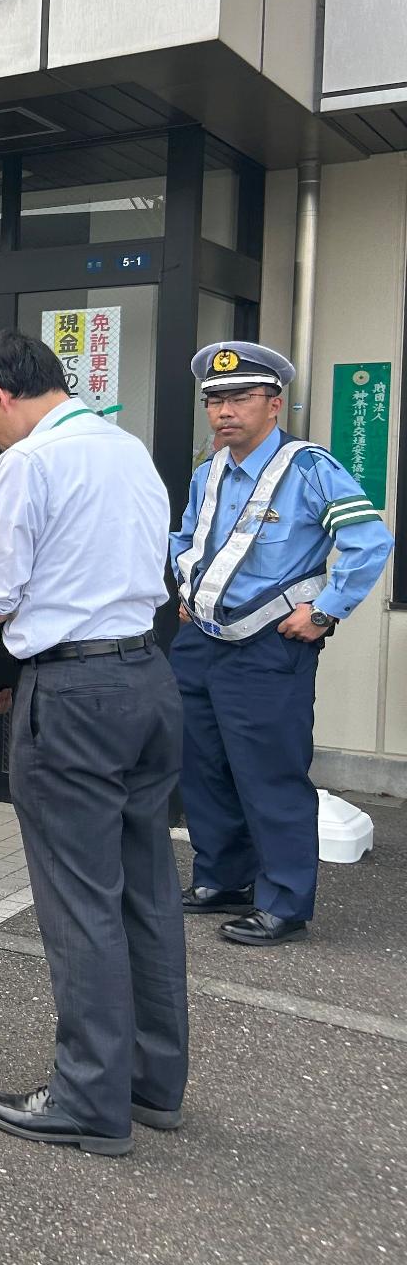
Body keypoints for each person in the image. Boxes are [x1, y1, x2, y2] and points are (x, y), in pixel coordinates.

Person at [0, 329, 186, 1157]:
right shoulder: (128, 450)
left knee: (80, 897)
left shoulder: (32, 462)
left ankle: (87, 1097)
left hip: (76, 694)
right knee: (144, 889)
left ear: (1, 399)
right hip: (147, 677)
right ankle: (152, 1081)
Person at [171, 341, 393, 946]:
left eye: (239, 397)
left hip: (270, 646)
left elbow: (370, 541)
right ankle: (223, 879)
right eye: (214, 400)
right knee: (203, 767)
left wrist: (325, 613)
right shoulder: (208, 471)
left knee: (269, 775)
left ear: (274, 404)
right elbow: (185, 538)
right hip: (202, 642)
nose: (223, 412)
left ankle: (285, 901)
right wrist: (186, 589)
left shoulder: (310, 468)